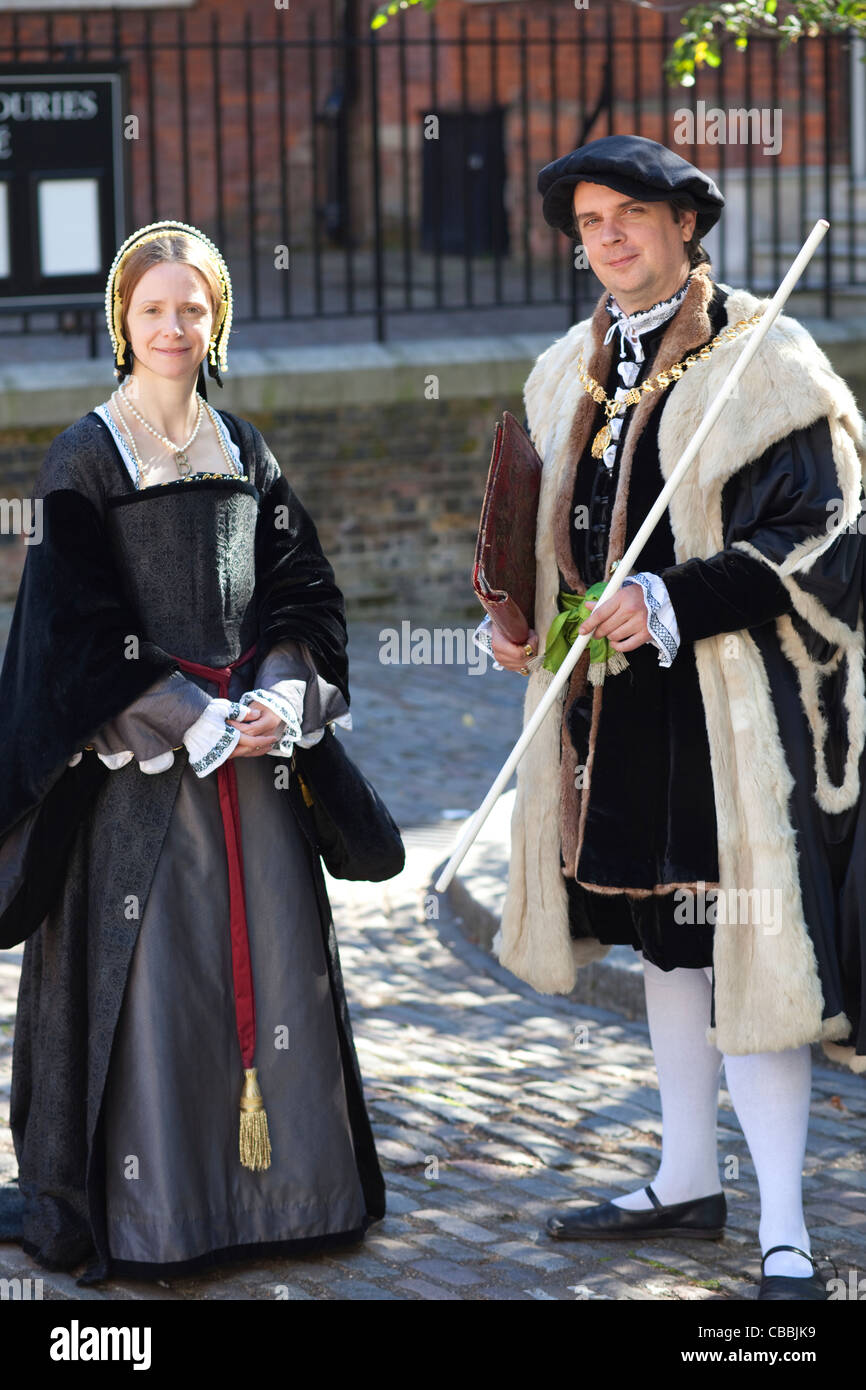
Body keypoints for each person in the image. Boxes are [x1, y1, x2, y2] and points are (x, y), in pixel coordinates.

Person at [474, 136, 866, 1301]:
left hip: (727, 719)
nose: (607, 237)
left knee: (746, 943)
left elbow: (826, 537)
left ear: (684, 224)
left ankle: (784, 1226)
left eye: (630, 215)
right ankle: (684, 1178)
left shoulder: (766, 358)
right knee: (663, 942)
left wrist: (670, 596)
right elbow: (550, 538)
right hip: (612, 721)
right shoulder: (567, 370)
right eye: (589, 220)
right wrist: (516, 621)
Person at [0, 220, 386, 1285]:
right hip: (142, 768)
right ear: (121, 321)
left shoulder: (246, 447)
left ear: (217, 321)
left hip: (254, 763)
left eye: (194, 307)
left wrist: (276, 696)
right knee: (162, 977)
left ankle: (284, 1194)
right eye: (154, 307)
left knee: (268, 963)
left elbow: (302, 587)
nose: (174, 325)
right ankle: (165, 1210)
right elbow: (69, 628)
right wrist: (183, 712)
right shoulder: (85, 452)